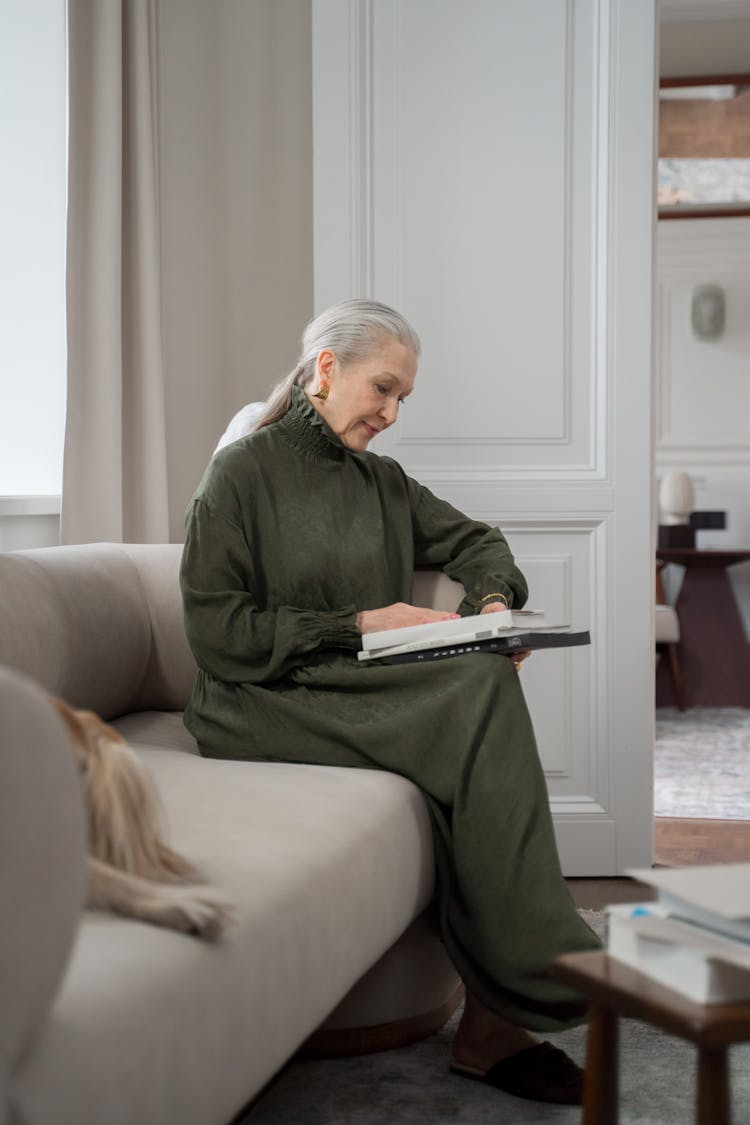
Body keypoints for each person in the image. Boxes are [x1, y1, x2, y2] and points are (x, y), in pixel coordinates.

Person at [179, 299, 600, 1106]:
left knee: (479, 679)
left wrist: (488, 605)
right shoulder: (240, 475)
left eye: (404, 396)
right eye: (383, 388)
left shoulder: (384, 481)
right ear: (326, 369)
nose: (392, 413)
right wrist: (362, 620)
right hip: (256, 698)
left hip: (349, 685)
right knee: (474, 700)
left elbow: (478, 540)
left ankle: (497, 1013)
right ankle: (537, 972)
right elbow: (218, 634)